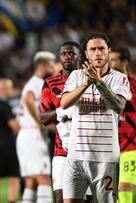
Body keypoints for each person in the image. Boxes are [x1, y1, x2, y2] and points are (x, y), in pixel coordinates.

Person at [60, 33, 130, 203]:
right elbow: (64, 103)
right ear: (86, 53)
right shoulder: (76, 76)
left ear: (109, 51)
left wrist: (99, 82)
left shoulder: (119, 79)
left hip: (105, 159)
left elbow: (119, 106)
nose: (98, 53)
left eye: (101, 49)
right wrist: (86, 83)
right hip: (76, 156)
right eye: (93, 49)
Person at [39, 41, 80, 203]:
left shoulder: (88, 81)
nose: (68, 57)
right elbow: (43, 118)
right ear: (60, 57)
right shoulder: (50, 83)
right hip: (61, 151)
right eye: (64, 54)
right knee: (61, 198)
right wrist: (63, 111)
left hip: (86, 150)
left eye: (72, 53)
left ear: (79, 56)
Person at [17, 51, 55, 203]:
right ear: (44, 65)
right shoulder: (37, 83)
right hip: (33, 134)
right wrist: (40, 122)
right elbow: (28, 98)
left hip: (25, 135)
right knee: (44, 177)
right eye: (51, 65)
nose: (53, 69)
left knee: (31, 182)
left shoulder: (31, 82)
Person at [109, 47, 136, 203]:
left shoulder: (134, 86)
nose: (110, 63)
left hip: (130, 144)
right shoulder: (106, 85)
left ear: (124, 62)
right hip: (110, 145)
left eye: (114, 60)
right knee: (111, 191)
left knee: (124, 186)